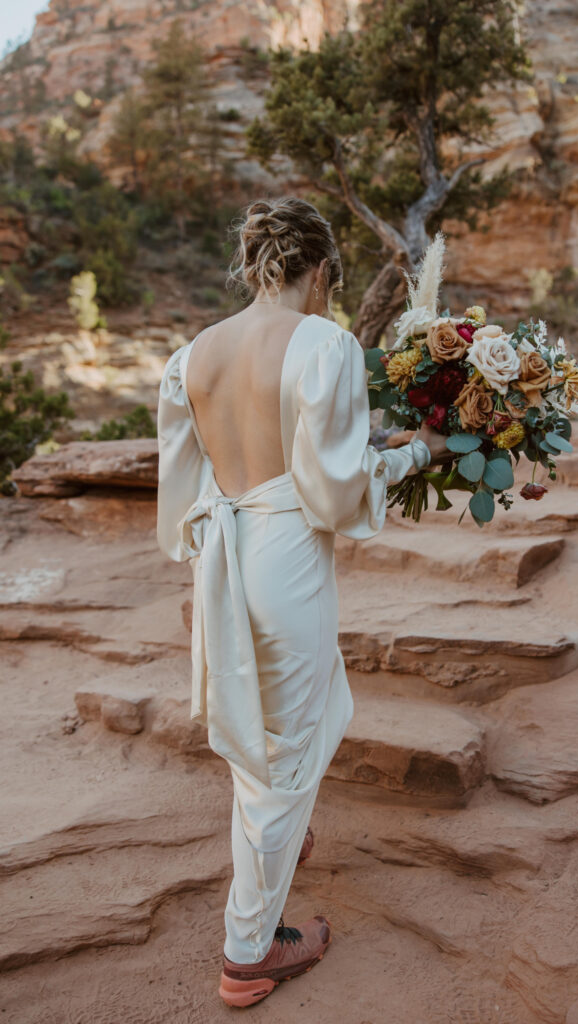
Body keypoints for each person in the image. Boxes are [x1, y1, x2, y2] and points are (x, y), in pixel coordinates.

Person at [155, 196, 448, 1007]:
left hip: (223, 554)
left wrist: (361, 449)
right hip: (287, 560)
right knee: (283, 751)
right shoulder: (324, 342)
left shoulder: (192, 355)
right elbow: (330, 491)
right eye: (330, 281)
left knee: (291, 712)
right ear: (319, 271)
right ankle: (250, 951)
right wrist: (413, 455)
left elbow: (185, 485)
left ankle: (282, 839)